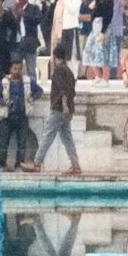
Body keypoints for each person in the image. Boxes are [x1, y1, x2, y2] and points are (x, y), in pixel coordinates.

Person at [38, 44, 81, 173]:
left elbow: (63, 91)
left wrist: (64, 106)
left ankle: (37, 162)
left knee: (47, 135)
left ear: (55, 56)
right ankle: (75, 165)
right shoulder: (69, 70)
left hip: (58, 109)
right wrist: (68, 107)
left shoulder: (58, 70)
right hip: (67, 110)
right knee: (68, 139)